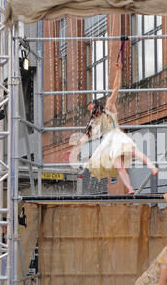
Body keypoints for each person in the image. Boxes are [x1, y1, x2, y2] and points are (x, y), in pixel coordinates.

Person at [67, 61, 158, 194]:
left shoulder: (109, 106)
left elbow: (115, 89)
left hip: (117, 136)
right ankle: (130, 188)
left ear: (96, 105)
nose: (90, 111)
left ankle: (151, 166)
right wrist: (74, 150)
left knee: (133, 152)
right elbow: (86, 137)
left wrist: (118, 72)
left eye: (91, 108)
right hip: (109, 143)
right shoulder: (94, 122)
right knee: (119, 166)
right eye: (89, 110)